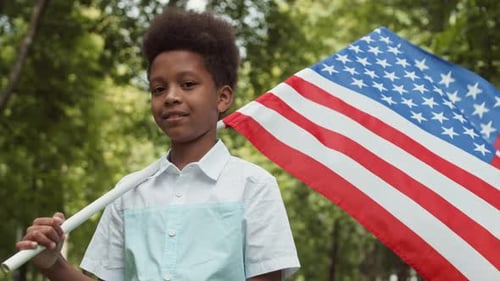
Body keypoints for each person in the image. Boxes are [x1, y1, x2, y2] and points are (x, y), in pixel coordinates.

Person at [16, 8, 300, 281]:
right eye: (158, 89)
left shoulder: (254, 186)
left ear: (223, 97)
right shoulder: (127, 192)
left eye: (188, 84)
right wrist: (53, 265)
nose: (170, 97)